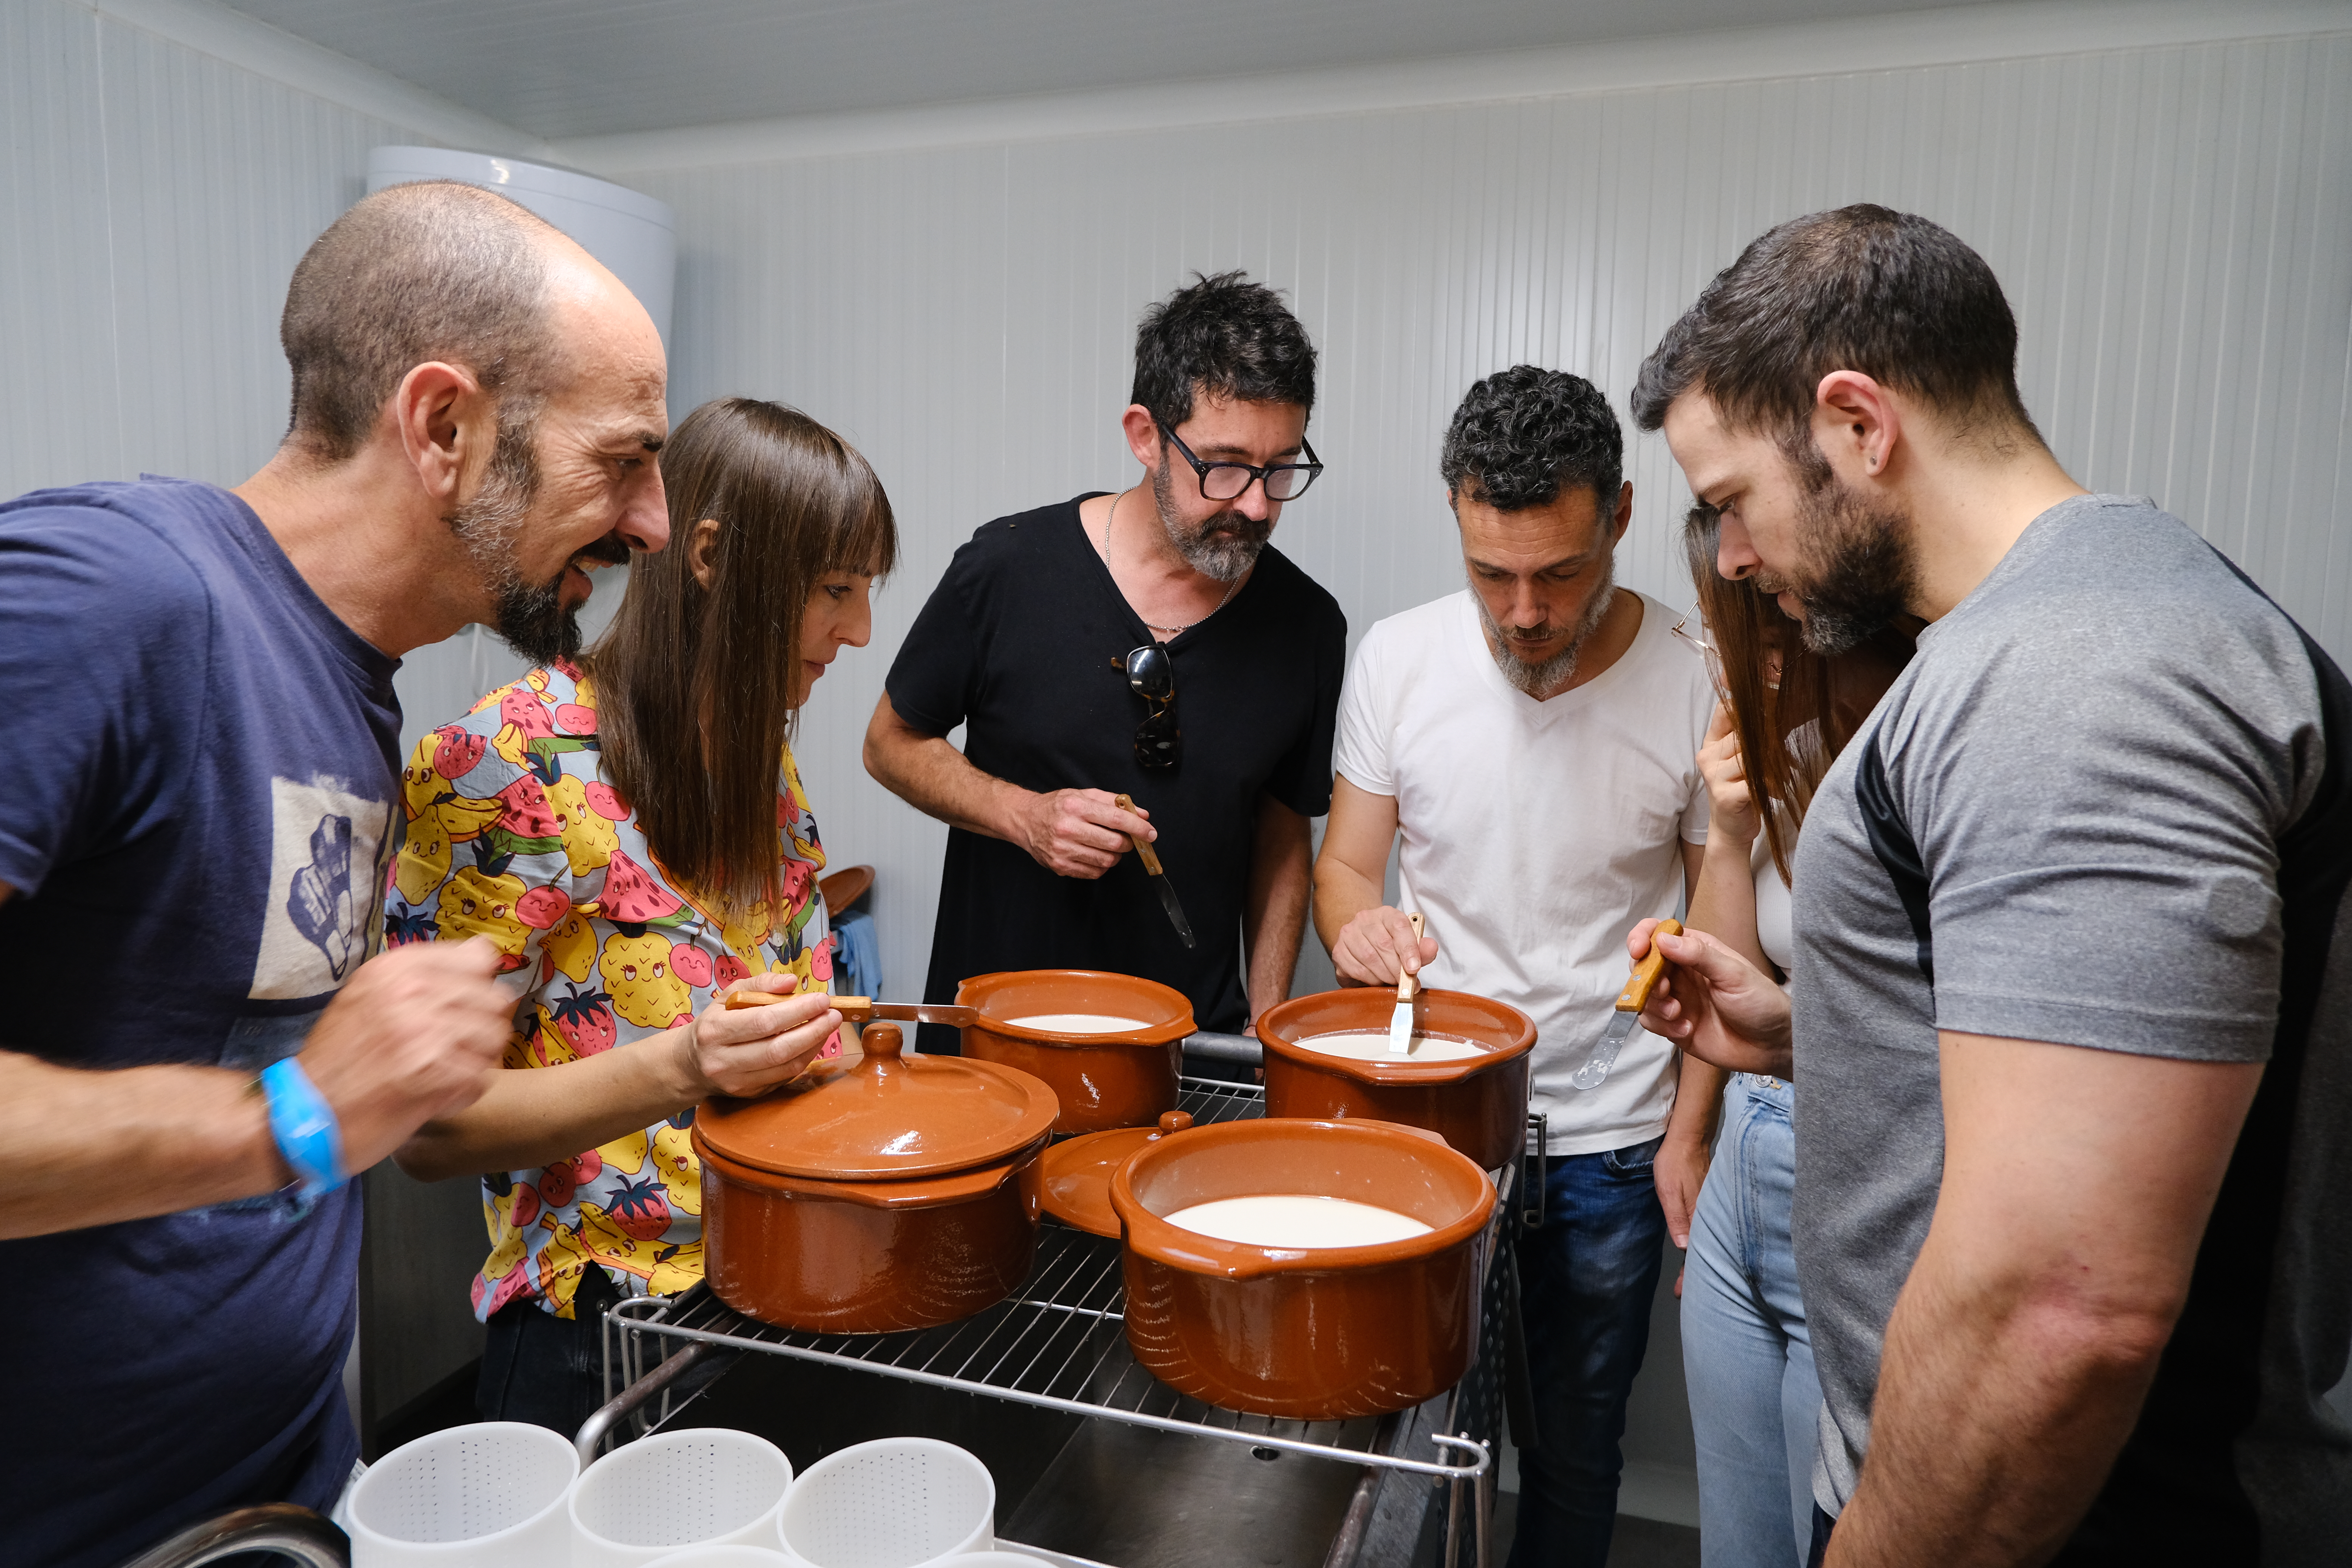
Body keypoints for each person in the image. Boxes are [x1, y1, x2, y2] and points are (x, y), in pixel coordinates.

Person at [1628, 204, 2352, 1565]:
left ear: (1857, 424)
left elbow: (2063, 1307)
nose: (1728, 556)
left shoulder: (2078, 673)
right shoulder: (2072, 629)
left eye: (1731, 503)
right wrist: (1807, 1028)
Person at [0, 179, 671, 1566]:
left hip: (275, 1499)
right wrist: (295, 1116)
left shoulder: (358, 693)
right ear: (443, 429)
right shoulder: (108, 595)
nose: (652, 522)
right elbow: (305, 1110)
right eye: (624, 462)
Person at [387, 398, 896, 1435]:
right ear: (709, 556)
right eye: (835, 590)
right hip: (595, 1339)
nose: (860, 632)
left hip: (768, 1296)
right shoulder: (506, 765)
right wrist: (688, 1064)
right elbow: (426, 1129)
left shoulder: (765, 773)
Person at [1312, 366, 1716, 1568]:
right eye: (1494, 574)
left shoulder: (1697, 673)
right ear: (1456, 514)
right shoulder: (1398, 659)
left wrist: (1691, 1132)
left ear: (1623, 520)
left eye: (1562, 574)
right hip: (1434, 1122)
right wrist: (1356, 931)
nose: (1526, 611)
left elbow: (1720, 936)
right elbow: (1346, 871)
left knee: (1580, 1449)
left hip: (1614, 1138)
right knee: (1412, 1430)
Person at [866, 271, 1344, 1048]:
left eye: (1281, 468)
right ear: (1145, 436)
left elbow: (1284, 834)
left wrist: (1262, 1030)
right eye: (1224, 467)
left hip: (1189, 1055)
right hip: (996, 1043)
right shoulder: (1006, 569)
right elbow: (888, 745)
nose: (1257, 505)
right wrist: (1024, 817)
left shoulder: (1310, 625)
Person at [1669, 506, 1911, 1568]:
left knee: (1838, 1538)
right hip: (1751, 1160)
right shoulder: (1789, 752)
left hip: (1866, 1178)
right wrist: (1729, 826)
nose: (1748, 668)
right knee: (1740, 1545)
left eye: (1765, 635)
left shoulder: (1918, 748)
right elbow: (1739, 990)